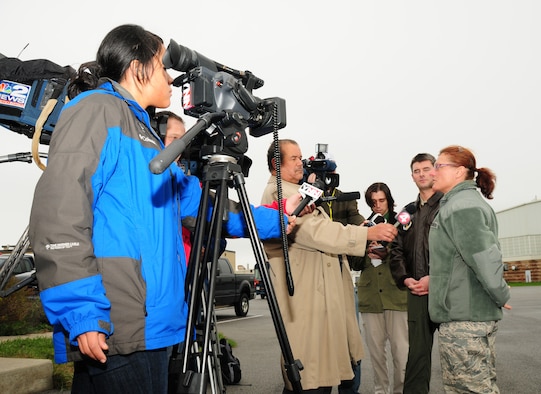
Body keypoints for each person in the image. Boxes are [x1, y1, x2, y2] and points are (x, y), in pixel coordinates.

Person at [28, 24, 300, 394]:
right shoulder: (96, 110)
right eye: (161, 66)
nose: (171, 78)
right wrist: (82, 310)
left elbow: (211, 208)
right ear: (137, 67)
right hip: (115, 321)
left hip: (153, 327)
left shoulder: (148, 137)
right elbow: (59, 213)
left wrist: (280, 220)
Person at [261, 139, 398, 393]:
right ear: (275, 165)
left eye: (300, 157)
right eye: (294, 158)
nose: (300, 163)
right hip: (306, 299)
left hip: (318, 299)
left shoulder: (296, 191)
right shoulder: (280, 193)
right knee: (309, 377)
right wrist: (365, 235)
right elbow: (315, 232)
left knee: (321, 374)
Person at [428, 145, 512, 393]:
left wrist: (501, 293)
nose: (433, 172)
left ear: (459, 171)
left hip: (465, 321)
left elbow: (485, 259)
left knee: (471, 389)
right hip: (465, 317)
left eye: (438, 166)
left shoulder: (462, 207)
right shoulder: (459, 204)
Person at [388, 153, 443, 394]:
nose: (421, 174)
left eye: (426, 169)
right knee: (417, 356)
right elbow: (396, 250)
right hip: (417, 291)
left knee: (456, 353)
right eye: (416, 171)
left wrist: (436, 279)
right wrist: (405, 278)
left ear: (436, 171)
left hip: (446, 290)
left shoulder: (449, 205)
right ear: (412, 177)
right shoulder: (407, 212)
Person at [312, 154, 365, 394]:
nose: (327, 181)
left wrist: (366, 230)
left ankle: (350, 389)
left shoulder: (345, 199)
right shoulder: (308, 195)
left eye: (331, 176)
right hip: (316, 272)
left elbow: (357, 220)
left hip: (340, 268)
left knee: (349, 336)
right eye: (324, 176)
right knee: (319, 337)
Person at [349, 182, 408, 394]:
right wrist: (366, 251)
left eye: (381, 201)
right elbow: (353, 263)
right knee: (376, 356)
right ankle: (380, 391)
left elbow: (410, 257)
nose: (377, 206)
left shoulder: (402, 224)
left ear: (389, 200)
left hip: (397, 296)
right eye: (373, 202)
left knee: (402, 355)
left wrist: (388, 254)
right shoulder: (365, 227)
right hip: (370, 298)